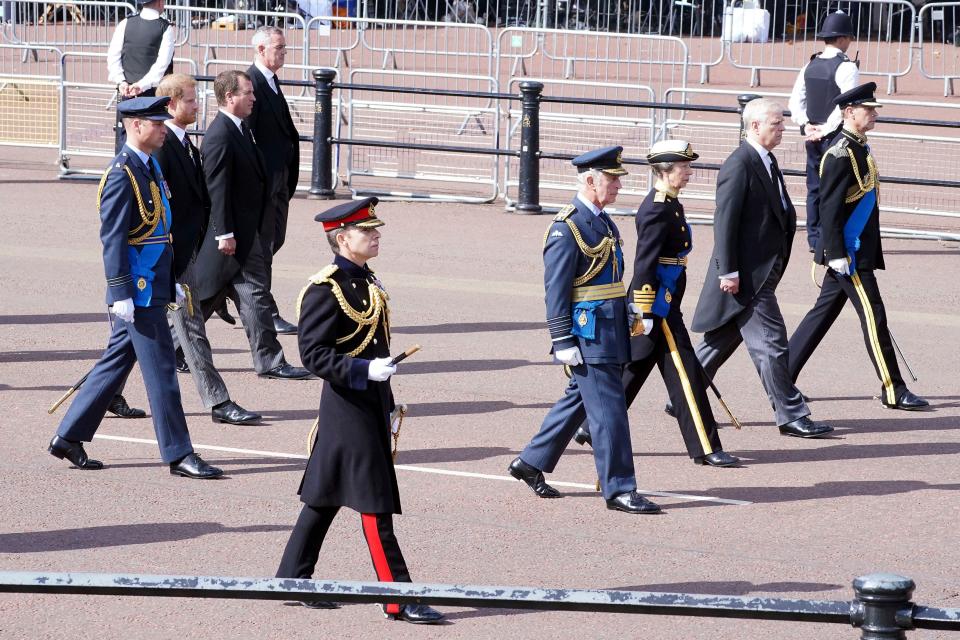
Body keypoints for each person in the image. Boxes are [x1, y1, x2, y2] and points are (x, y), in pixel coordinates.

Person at [275, 198, 444, 625]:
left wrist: (385, 400)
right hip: (346, 405)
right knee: (375, 504)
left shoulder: (367, 280)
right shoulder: (324, 288)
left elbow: (377, 345)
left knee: (324, 495)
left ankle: (291, 578)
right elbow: (312, 354)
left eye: (375, 229)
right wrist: (363, 369)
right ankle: (397, 597)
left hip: (366, 402)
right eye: (366, 230)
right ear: (342, 237)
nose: (376, 234)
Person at [47, 96, 223, 480]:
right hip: (137, 292)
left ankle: (68, 436)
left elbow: (160, 232)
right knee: (162, 372)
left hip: (154, 283)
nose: (164, 128)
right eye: (157, 123)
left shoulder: (149, 168)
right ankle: (179, 454)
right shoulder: (121, 174)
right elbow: (112, 240)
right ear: (135, 126)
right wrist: (121, 292)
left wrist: (172, 280)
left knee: (114, 364)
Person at [507, 146, 660, 515]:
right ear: (590, 181)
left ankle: (530, 462)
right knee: (609, 413)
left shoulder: (602, 220)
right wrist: (561, 339)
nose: (618, 186)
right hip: (588, 334)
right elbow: (556, 288)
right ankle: (619, 488)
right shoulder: (568, 226)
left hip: (608, 329)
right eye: (612, 180)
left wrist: (630, 312)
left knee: (578, 400)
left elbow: (607, 279)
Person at [572, 141, 740, 468]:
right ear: (664, 169)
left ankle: (591, 425)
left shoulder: (669, 203)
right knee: (686, 372)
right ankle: (706, 446)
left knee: (635, 367)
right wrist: (644, 310)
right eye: (684, 167)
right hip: (656, 302)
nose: (689, 173)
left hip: (665, 298)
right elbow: (645, 262)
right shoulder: (656, 208)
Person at [689, 98, 833, 439]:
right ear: (754, 126)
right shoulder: (740, 163)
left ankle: (682, 392)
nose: (782, 129)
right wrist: (728, 271)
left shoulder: (764, 159)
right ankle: (790, 413)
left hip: (761, 269)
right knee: (772, 342)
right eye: (776, 124)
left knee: (721, 340)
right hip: (748, 275)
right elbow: (725, 221)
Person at [788, 83, 929, 411]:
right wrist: (837, 253)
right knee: (873, 315)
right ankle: (893, 388)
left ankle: (781, 377)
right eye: (870, 109)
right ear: (850, 113)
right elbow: (829, 208)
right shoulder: (839, 153)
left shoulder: (857, 146)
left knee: (820, 316)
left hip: (854, 249)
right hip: (848, 253)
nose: (875, 114)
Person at [154, 73, 262, 425]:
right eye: (190, 99)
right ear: (171, 105)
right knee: (191, 327)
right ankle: (218, 402)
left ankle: (107, 393)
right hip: (168, 259)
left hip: (186, 254)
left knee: (136, 339)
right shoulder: (164, 146)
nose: (197, 105)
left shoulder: (184, 143)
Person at [195, 70, 310, 381]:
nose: (254, 97)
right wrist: (225, 233)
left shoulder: (241, 129)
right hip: (234, 237)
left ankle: (177, 347)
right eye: (248, 93)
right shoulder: (220, 134)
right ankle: (269, 361)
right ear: (230, 97)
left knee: (223, 297)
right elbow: (216, 189)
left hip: (246, 234)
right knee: (246, 295)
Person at [788, 10, 860, 252]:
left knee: (815, 188)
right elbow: (846, 105)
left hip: (812, 134)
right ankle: (833, 238)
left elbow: (795, 100)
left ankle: (815, 238)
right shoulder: (847, 67)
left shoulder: (810, 64)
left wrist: (806, 124)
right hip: (835, 136)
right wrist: (826, 129)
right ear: (842, 38)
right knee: (839, 189)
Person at [246, 26, 301, 335]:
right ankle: (264, 312)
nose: (282, 52)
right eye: (278, 47)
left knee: (273, 241)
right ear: (261, 50)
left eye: (284, 48)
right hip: (264, 182)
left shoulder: (270, 80)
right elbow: (248, 136)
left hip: (279, 180)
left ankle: (236, 288)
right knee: (262, 249)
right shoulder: (251, 82)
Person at [106, 0, 175, 99]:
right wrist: (142, 85)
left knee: (126, 114)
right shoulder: (165, 27)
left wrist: (121, 81)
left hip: (125, 91)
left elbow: (113, 56)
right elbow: (162, 63)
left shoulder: (125, 22)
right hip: (154, 93)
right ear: (160, 2)